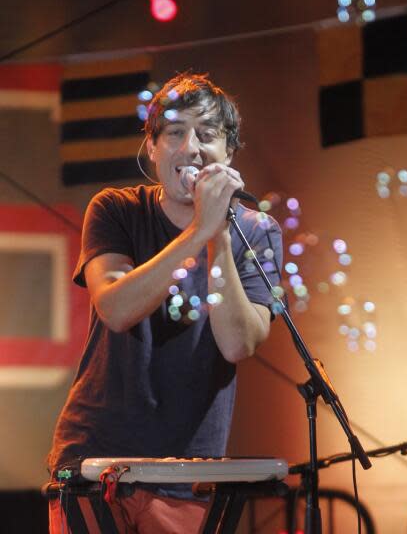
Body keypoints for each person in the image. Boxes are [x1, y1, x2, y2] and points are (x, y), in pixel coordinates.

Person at [47, 72, 283, 533]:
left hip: (190, 473)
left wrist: (216, 235)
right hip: (97, 462)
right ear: (153, 148)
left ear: (229, 153)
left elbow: (238, 344)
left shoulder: (255, 232)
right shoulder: (116, 209)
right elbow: (114, 308)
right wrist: (199, 230)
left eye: (208, 135)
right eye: (176, 133)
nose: (191, 147)